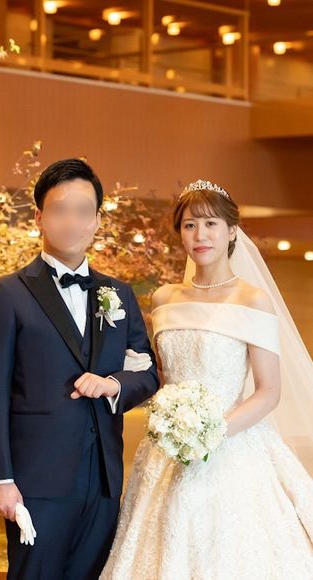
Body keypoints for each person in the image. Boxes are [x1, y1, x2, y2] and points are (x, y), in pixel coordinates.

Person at [101, 179, 313, 580]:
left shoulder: (252, 299)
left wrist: (210, 433)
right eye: (189, 225)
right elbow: (163, 377)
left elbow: (269, 392)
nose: (200, 235)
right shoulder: (164, 298)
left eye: (211, 224)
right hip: (166, 451)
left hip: (233, 446)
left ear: (232, 231)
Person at [0, 158, 160, 579]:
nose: (71, 222)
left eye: (82, 211)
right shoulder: (8, 293)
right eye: (59, 210)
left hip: (103, 478)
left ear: (97, 221)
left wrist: (113, 383)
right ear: (39, 217)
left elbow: (148, 373)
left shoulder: (118, 293)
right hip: (36, 480)